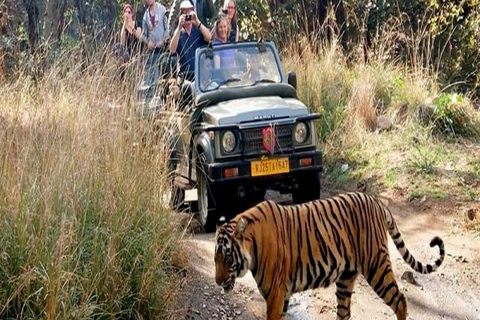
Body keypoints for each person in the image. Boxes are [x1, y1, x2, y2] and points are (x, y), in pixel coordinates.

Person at [169, 0, 212, 81]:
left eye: (189, 11)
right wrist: (179, 27)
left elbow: (209, 38)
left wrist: (197, 22)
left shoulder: (198, 30)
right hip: (185, 77)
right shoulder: (179, 34)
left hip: (200, 76)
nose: (187, 15)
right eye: (184, 12)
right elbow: (172, 50)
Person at [139, 0, 169, 86]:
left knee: (164, 76)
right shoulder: (145, 16)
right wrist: (148, 42)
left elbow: (168, 28)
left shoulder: (162, 9)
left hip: (163, 50)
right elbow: (144, 35)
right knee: (151, 77)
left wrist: (162, 40)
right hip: (152, 53)